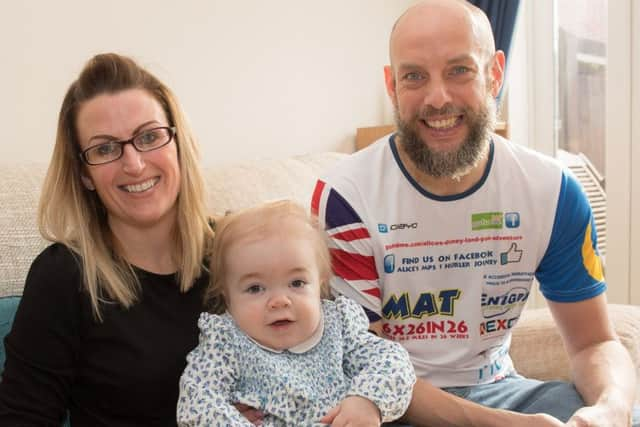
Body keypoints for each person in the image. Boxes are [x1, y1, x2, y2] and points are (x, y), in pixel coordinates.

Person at [311, 1, 639, 426]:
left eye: (459, 70)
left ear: (494, 74)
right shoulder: (345, 197)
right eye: (414, 76)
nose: (437, 98)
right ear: (392, 86)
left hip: (500, 390)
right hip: (384, 403)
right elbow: (361, 368)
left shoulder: (552, 192)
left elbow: (594, 342)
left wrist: (611, 408)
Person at [0, 53, 217, 426]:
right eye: (105, 149)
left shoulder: (240, 252)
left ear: (179, 145)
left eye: (149, 136)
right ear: (85, 175)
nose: (133, 164)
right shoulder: (64, 276)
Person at [176, 200, 416, 427]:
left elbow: (391, 359)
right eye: (255, 288)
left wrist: (368, 400)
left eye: (297, 283)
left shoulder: (339, 325)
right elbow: (198, 399)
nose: (279, 301)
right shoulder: (225, 343)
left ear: (320, 284)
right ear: (227, 297)